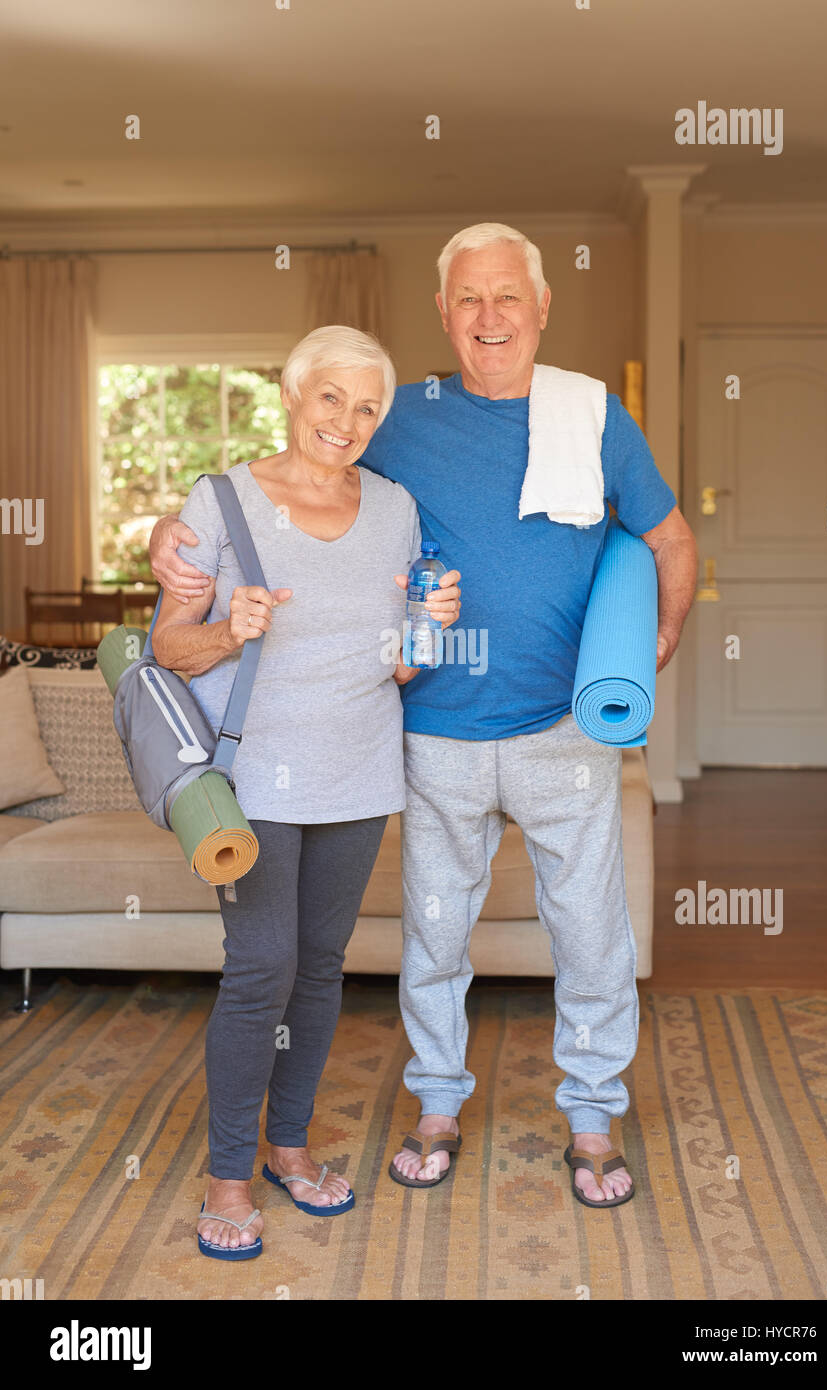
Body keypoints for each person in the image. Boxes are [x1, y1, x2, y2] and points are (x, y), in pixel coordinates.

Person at [150, 224, 698, 1211]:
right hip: (432, 738)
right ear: (445, 315)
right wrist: (169, 537)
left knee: (592, 937)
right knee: (432, 943)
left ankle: (592, 1116)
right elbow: (273, 481)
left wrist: (648, 650)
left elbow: (668, 536)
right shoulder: (396, 415)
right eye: (469, 300)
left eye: (508, 298)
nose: (490, 318)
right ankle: (435, 1109)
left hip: (561, 732)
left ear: (541, 308)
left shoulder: (594, 415)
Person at [150, 325, 461, 1257]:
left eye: (368, 407)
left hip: (360, 774)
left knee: (321, 969)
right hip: (251, 781)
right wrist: (230, 630)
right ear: (291, 395)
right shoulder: (220, 503)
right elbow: (170, 645)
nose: (348, 421)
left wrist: (429, 629)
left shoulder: (398, 510)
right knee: (261, 969)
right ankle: (228, 1178)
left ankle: (290, 1148)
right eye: (331, 397)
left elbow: (402, 670)